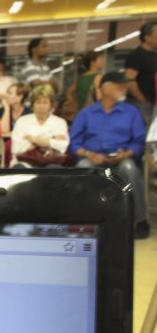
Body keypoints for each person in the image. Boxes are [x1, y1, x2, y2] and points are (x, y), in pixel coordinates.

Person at [70, 71, 148, 239]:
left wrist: (127, 153)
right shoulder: (86, 114)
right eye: (119, 85)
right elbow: (74, 143)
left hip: (122, 158)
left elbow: (139, 141)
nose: (124, 88)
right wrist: (88, 153)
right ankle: (80, 220)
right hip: (93, 158)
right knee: (83, 167)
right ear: (105, 89)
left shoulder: (131, 112)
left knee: (129, 168)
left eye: (124, 85)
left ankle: (140, 221)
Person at [11, 85, 69, 167]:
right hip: (26, 162)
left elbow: (62, 147)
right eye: (38, 102)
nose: (41, 106)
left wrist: (32, 139)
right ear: (32, 104)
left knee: (54, 169)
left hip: (51, 161)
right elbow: (17, 148)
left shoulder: (60, 122)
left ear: (51, 105)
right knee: (19, 167)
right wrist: (51, 140)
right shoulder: (22, 121)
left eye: (45, 102)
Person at [124, 21, 157, 125]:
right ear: (147, 37)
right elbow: (129, 80)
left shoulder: (154, 54)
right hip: (141, 104)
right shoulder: (137, 55)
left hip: (153, 103)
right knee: (146, 133)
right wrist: (142, 100)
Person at [60, 51, 104, 123]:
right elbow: (100, 98)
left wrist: (74, 104)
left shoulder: (81, 78)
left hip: (81, 113)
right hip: (94, 113)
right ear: (92, 62)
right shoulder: (98, 77)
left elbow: (69, 92)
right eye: (100, 58)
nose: (103, 61)